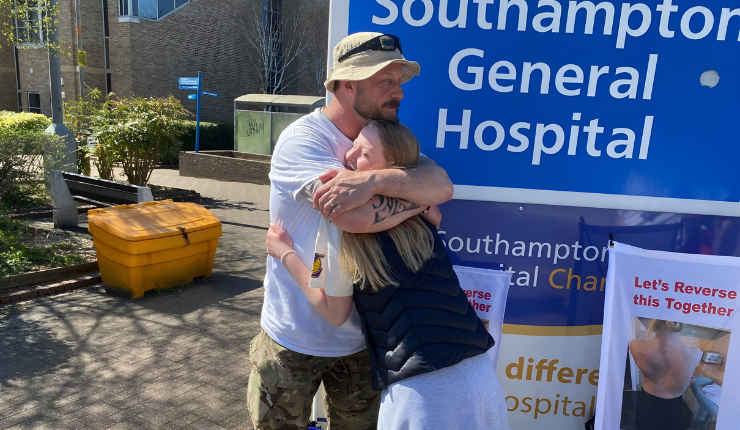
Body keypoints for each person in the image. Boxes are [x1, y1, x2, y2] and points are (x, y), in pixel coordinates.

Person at [247, 32, 454, 429]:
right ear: (346, 84)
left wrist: (371, 183)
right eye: (386, 82)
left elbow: (441, 184)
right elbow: (348, 217)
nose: (400, 94)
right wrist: (414, 197)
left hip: (364, 342)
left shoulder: (383, 138)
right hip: (293, 339)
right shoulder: (303, 141)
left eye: (399, 82)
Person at [267, 119, 511, 430]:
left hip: (421, 392)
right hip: (478, 377)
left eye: (363, 153)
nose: (349, 157)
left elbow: (334, 309)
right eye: (353, 146)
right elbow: (435, 211)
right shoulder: (423, 213)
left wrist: (284, 253)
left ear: (390, 168)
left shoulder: (338, 225)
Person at [629, 319, 701, 430]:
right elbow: (676, 376)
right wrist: (685, 379)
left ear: (654, 321)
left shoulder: (635, 345)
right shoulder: (696, 353)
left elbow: (656, 369)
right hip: (673, 407)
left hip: (647, 402)